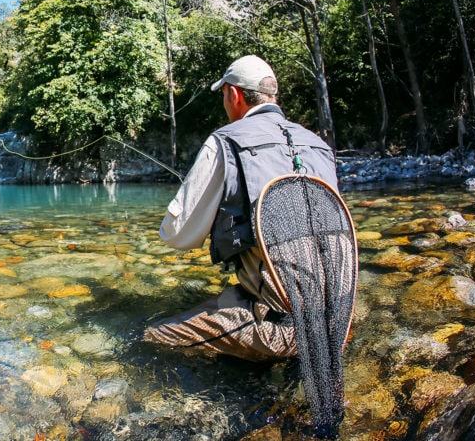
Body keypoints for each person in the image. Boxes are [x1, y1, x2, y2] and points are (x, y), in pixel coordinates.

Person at [144, 55, 339, 362]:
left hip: (286, 328)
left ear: (233, 94)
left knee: (154, 337)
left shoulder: (226, 142)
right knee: (230, 296)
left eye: (223, 94)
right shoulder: (317, 145)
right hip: (338, 316)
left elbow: (176, 234)